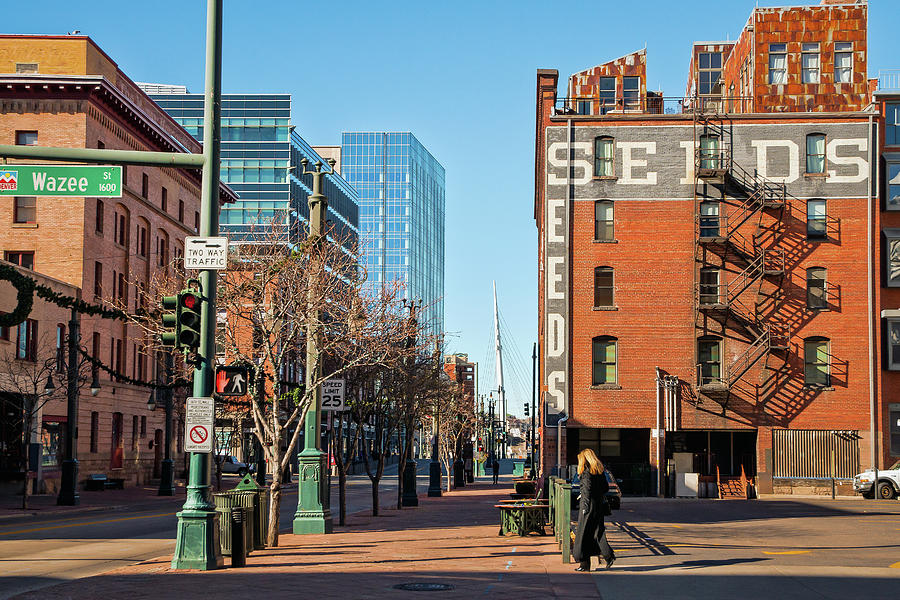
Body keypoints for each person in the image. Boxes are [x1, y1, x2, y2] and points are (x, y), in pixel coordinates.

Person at [572, 448, 615, 572]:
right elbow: (605, 488)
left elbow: (586, 491)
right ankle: (608, 556)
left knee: (583, 534)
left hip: (588, 506)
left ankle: (584, 564)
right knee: (598, 531)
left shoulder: (586, 472)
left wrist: (584, 507)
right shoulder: (599, 471)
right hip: (598, 506)